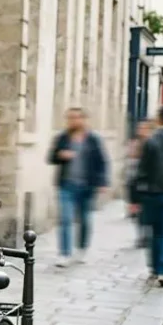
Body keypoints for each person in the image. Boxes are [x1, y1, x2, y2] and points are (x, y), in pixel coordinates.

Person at [47, 108, 109, 267]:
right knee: (66, 219)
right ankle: (64, 253)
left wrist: (103, 182)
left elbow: (102, 161)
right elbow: (51, 157)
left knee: (84, 219)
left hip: (87, 186)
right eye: (70, 118)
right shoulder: (62, 138)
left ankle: (82, 248)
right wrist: (60, 155)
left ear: (84, 119)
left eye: (76, 118)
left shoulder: (93, 139)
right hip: (66, 185)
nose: (72, 121)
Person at [136, 105, 163, 287]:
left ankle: (154, 270)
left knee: (155, 232)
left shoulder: (150, 141)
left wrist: (137, 194)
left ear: (160, 119)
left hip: (153, 192)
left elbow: (142, 170)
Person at [128, 119, 156, 248]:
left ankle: (148, 235)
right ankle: (142, 236)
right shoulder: (136, 143)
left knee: (149, 212)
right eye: (140, 128)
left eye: (144, 128)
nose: (141, 131)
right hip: (137, 181)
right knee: (139, 212)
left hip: (153, 184)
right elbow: (131, 163)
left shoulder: (155, 144)